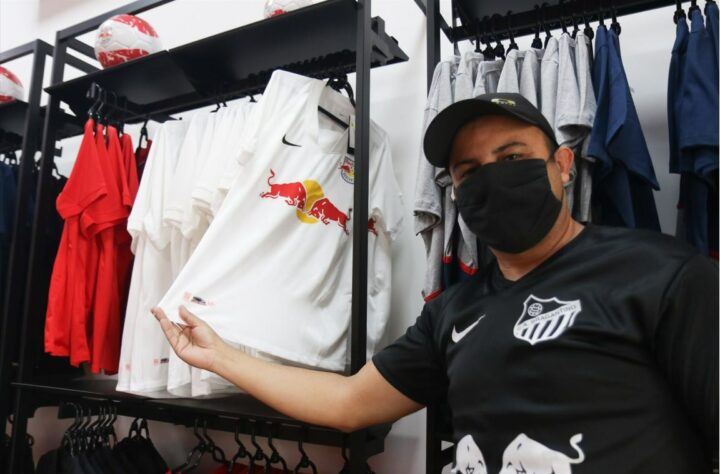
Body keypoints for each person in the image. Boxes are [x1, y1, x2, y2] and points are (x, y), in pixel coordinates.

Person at [153, 93, 718, 473]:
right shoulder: (452, 311)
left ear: (564, 166)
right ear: (454, 191)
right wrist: (221, 358)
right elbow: (350, 402)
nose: (491, 177)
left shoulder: (663, 273)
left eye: (513, 156)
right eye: (470, 171)